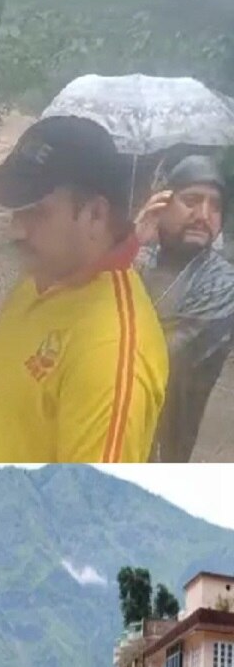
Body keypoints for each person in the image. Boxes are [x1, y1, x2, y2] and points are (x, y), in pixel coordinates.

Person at [0, 115, 168, 463]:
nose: (16, 230)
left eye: (36, 211)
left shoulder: (111, 352)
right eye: (16, 212)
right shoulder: (46, 276)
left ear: (95, 215)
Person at [132, 155, 234, 462]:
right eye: (191, 200)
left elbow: (160, 361)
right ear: (161, 204)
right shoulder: (141, 258)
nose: (204, 214)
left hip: (162, 450)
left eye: (215, 206)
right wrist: (128, 248)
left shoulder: (221, 284)